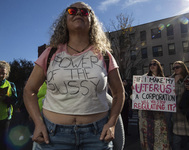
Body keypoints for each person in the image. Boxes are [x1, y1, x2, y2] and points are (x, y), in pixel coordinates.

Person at [23, 2, 125, 150]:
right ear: (65, 20)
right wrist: (38, 123)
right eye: (72, 11)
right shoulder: (51, 53)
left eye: (84, 12)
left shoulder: (104, 55)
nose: (78, 13)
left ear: (91, 20)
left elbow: (119, 92)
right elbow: (29, 90)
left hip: (97, 136)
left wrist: (111, 124)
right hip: (52, 136)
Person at [138, 59, 170, 150]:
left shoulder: (163, 79)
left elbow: (167, 95)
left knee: (159, 131)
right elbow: (139, 93)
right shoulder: (144, 77)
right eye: (150, 64)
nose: (152, 65)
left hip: (158, 112)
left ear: (158, 66)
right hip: (146, 111)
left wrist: (171, 93)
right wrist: (136, 89)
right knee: (147, 132)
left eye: (154, 64)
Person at [170, 61, 189, 150]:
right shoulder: (170, 82)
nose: (175, 69)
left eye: (177, 67)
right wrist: (173, 84)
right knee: (176, 144)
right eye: (174, 68)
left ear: (183, 68)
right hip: (177, 118)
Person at [0, 61, 18, 149]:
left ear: (7, 74)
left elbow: (15, 100)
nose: (1, 75)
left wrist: (5, 98)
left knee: (3, 142)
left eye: (3, 73)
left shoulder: (11, 85)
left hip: (5, 118)